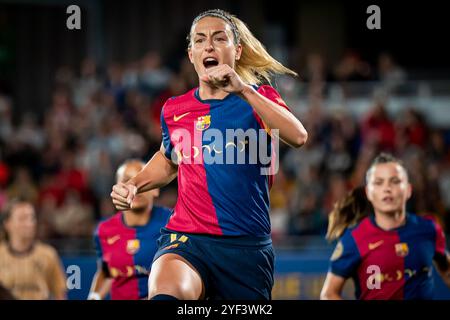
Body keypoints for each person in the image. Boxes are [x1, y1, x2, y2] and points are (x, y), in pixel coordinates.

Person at [110, 9, 307, 300]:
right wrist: (134, 184)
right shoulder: (174, 109)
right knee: (166, 293)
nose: (209, 46)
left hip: (247, 249)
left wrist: (244, 91)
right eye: (200, 40)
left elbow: (298, 136)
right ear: (191, 54)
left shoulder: (260, 98)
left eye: (219, 39)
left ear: (237, 51)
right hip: (188, 239)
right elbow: (168, 159)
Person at [320, 153, 450, 300]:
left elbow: (446, 270)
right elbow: (328, 294)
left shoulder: (429, 229)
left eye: (395, 181)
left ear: (408, 190)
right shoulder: (354, 238)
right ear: (368, 192)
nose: (387, 188)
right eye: (379, 182)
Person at [89, 160, 171, 300]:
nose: (135, 188)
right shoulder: (104, 230)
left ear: (156, 188)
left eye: (141, 180)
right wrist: (94, 297)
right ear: (116, 190)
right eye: (127, 181)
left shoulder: (173, 222)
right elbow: (106, 271)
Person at [0, 198, 67, 300]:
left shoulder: (48, 255)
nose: (29, 223)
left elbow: (60, 294)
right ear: (7, 224)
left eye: (31, 218)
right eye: (22, 218)